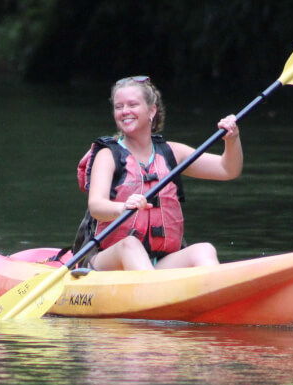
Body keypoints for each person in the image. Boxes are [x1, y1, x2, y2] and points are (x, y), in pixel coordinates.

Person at [76, 75, 243, 271]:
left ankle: (212, 295)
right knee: (130, 244)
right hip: (110, 261)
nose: (125, 111)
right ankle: (156, 294)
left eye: (132, 104)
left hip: (159, 263)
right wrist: (122, 208)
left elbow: (228, 169)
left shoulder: (171, 152)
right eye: (119, 107)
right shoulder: (107, 155)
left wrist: (232, 139)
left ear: (151, 110)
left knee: (204, 250)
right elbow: (96, 205)